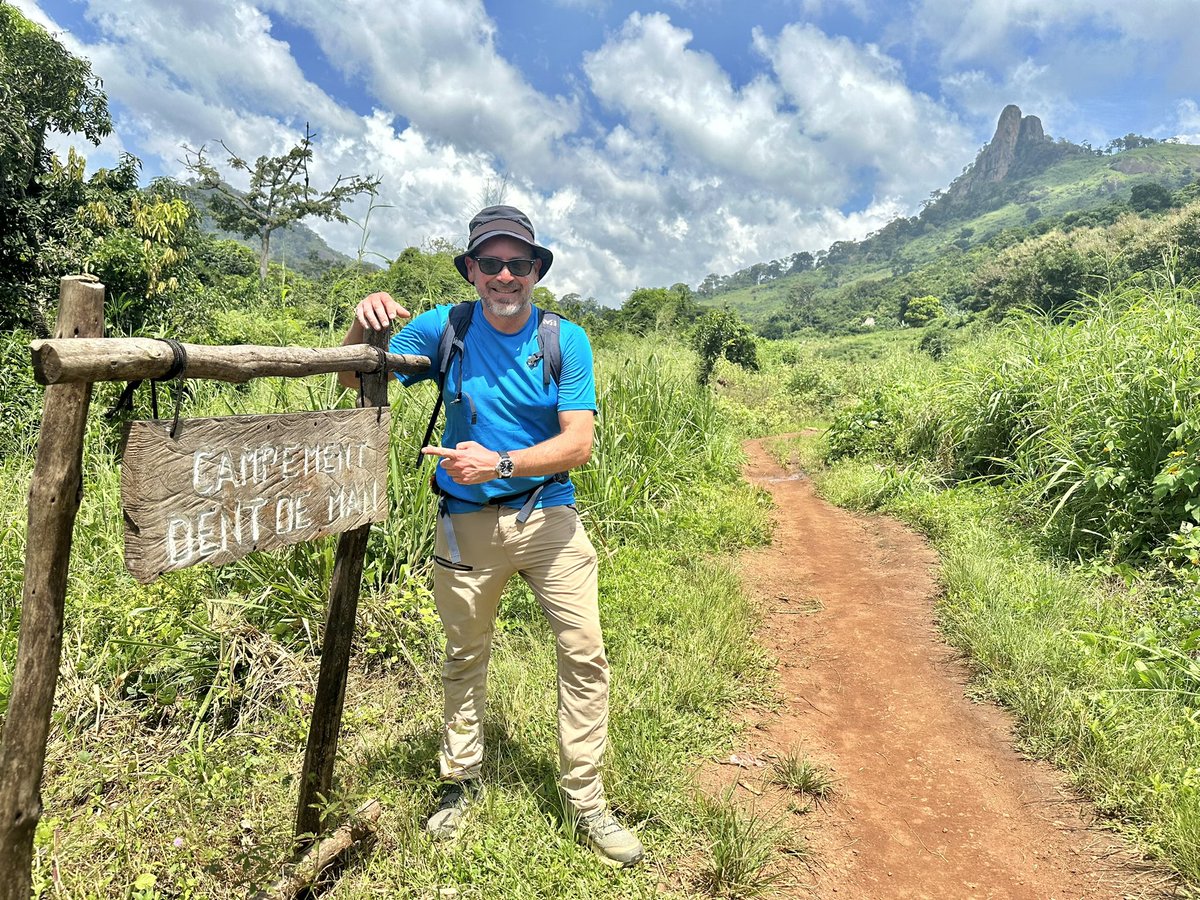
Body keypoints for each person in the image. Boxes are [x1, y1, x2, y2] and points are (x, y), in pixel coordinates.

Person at [339, 206, 643, 867]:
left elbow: (578, 443)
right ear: (472, 269)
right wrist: (360, 328)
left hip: (547, 515)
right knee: (464, 655)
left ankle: (586, 799)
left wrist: (499, 463)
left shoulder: (567, 339)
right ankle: (460, 781)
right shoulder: (444, 328)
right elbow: (352, 376)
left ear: (536, 270)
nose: (506, 276)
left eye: (519, 264)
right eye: (492, 263)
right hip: (466, 522)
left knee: (584, 653)